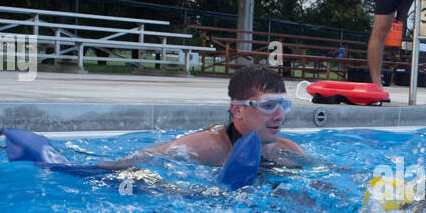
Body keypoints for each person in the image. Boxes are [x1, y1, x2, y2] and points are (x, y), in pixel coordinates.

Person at [103, 64, 304, 168]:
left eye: (284, 106)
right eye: (268, 106)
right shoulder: (207, 147)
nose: (279, 116)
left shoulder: (287, 150)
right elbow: (133, 163)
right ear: (237, 110)